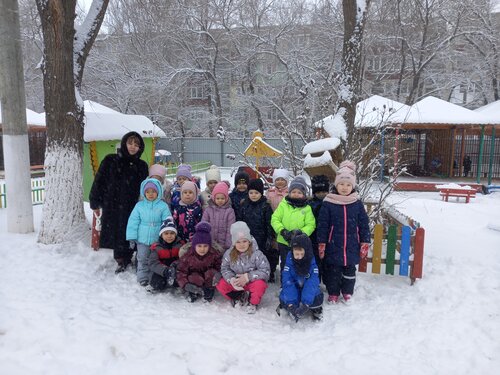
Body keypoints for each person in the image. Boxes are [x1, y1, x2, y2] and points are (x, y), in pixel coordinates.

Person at [89, 131, 149, 274]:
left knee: (131, 231)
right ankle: (120, 260)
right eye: (130, 143)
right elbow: (99, 181)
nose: (133, 147)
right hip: (113, 204)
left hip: (133, 206)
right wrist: (95, 201)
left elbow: (146, 187)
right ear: (124, 143)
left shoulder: (141, 165)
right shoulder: (111, 160)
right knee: (117, 232)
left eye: (136, 144)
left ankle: (131, 256)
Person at [317, 161, 371, 304]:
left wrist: (365, 241)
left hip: (352, 244)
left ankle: (347, 292)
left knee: (349, 271)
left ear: (352, 186)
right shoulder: (329, 202)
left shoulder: (357, 203)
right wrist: (321, 242)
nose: (345, 187)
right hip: (333, 244)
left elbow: (364, 224)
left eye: (348, 185)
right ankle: (333, 293)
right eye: (341, 184)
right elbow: (322, 225)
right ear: (336, 185)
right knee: (333, 271)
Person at [216, 221, 270, 314]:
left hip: (251, 282)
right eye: (238, 242)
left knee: (260, 285)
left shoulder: (257, 254)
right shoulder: (229, 254)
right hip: (236, 283)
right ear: (234, 243)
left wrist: (247, 277)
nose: (242, 244)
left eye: (244, 241)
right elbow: (225, 268)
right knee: (220, 284)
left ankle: (253, 303)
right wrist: (231, 279)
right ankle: (238, 296)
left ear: (249, 241)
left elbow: (265, 271)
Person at [126, 178, 172, 286]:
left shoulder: (163, 206)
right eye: (148, 192)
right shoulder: (139, 206)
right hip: (142, 239)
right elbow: (133, 222)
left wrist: (167, 236)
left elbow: (167, 222)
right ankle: (142, 277)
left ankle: (153, 276)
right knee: (142, 258)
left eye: (153, 192)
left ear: (158, 192)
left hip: (157, 240)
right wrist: (132, 237)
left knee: (154, 259)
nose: (150, 194)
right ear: (144, 193)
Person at [271, 176, 316, 280]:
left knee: (299, 262)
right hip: (284, 240)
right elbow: (275, 219)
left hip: (300, 242)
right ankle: (285, 283)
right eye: (294, 191)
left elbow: (311, 224)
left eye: (299, 192)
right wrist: (282, 230)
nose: (296, 194)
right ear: (289, 192)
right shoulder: (283, 205)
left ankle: (298, 282)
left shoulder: (307, 208)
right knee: (286, 263)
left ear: (304, 194)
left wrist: (301, 232)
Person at [277, 234, 323, 322]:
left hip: (307, 289)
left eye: (302, 254)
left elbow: (312, 283)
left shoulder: (312, 264)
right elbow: (287, 282)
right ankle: (292, 308)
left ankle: (315, 309)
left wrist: (306, 303)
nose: (299, 257)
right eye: (296, 254)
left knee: (316, 296)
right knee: (284, 297)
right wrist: (291, 303)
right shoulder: (289, 263)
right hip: (296, 289)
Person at [240, 178, 277, 282]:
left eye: (256, 192)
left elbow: (269, 223)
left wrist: (270, 237)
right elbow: (240, 220)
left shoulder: (265, 206)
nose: (253, 195)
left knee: (264, 256)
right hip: (248, 237)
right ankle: (250, 272)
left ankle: (268, 272)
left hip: (262, 237)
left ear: (261, 193)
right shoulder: (244, 205)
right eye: (251, 192)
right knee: (249, 255)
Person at [176, 221, 222, 303]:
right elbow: (180, 272)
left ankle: (209, 290)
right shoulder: (188, 256)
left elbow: (219, 267)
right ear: (194, 246)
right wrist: (186, 285)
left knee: (212, 273)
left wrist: (218, 275)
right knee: (195, 277)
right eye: (199, 246)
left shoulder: (214, 254)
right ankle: (193, 292)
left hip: (208, 280)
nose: (202, 249)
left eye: (205, 246)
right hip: (194, 281)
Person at [147, 217, 185, 293]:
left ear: (175, 234)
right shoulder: (156, 247)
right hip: (161, 271)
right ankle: (161, 282)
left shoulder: (180, 245)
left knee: (180, 281)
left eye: (172, 233)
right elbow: (153, 263)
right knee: (157, 283)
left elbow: (184, 259)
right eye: (166, 233)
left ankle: (175, 283)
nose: (169, 236)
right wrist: (165, 270)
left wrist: (175, 266)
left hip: (175, 270)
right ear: (161, 235)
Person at [308, 174, 330, 281]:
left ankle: (327, 280)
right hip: (313, 236)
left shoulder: (331, 203)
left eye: (324, 192)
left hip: (328, 237)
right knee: (315, 259)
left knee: (327, 260)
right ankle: (315, 280)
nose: (321, 194)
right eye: (318, 192)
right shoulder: (310, 204)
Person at [201, 181, 236, 250]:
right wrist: (204, 239)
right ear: (214, 198)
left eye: (222, 198)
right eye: (217, 198)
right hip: (210, 242)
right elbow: (204, 224)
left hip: (223, 244)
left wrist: (228, 244)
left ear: (226, 198)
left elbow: (230, 229)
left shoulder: (230, 211)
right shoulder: (208, 210)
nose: (220, 200)